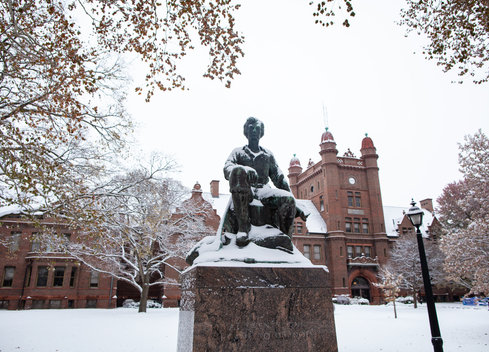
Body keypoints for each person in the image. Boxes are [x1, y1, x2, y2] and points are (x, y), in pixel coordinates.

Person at [223, 117, 303, 246]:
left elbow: (279, 178)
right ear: (246, 132)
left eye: (257, 129)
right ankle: (243, 227)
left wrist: (294, 200)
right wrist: (242, 170)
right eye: (251, 128)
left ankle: (286, 239)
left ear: (261, 133)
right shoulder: (237, 152)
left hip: (264, 191)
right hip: (245, 191)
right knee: (237, 171)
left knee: (288, 200)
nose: (254, 131)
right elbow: (227, 168)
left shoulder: (268, 155)